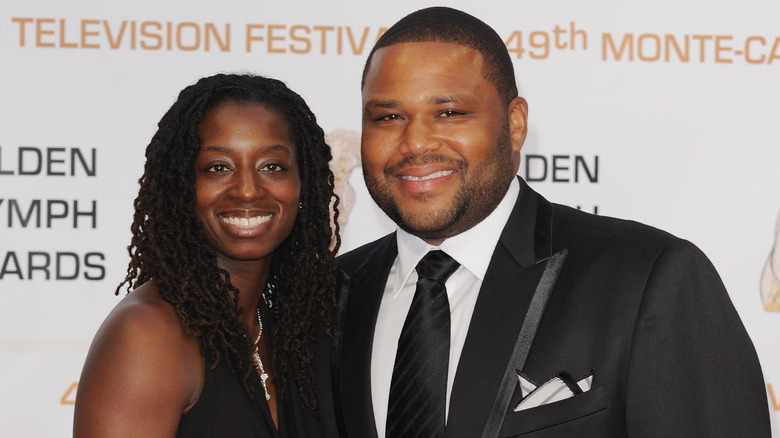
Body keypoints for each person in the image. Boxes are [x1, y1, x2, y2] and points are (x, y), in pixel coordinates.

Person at [333, 7, 771, 437]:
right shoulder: (329, 296)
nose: (415, 142)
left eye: (449, 113)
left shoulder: (647, 278)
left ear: (516, 123)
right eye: (388, 117)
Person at [74, 73, 340, 437]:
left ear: (302, 183)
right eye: (218, 168)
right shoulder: (148, 335)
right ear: (183, 186)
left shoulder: (286, 331)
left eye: (272, 166)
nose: (247, 190)